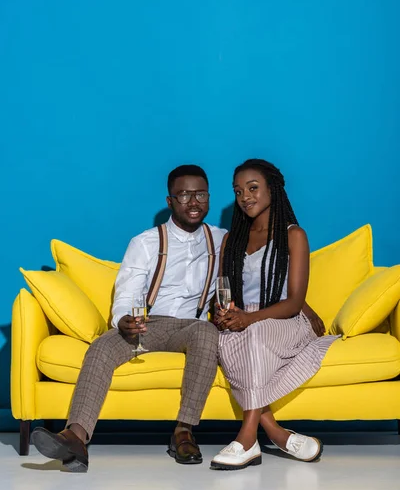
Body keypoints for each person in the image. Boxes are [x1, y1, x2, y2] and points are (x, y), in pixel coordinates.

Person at [31, 165, 226, 472]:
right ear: (170, 201)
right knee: (102, 347)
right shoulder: (146, 242)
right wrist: (123, 319)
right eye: (184, 194)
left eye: (200, 194)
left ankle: (183, 431)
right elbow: (128, 290)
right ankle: (76, 438)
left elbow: (259, 267)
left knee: (206, 333)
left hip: (191, 326)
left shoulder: (222, 240)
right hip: (150, 324)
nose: (193, 201)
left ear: (209, 197)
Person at [211, 159, 338, 471]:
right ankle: (277, 434)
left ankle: (246, 438)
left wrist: (249, 319)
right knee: (225, 340)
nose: (245, 196)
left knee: (251, 335)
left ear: (273, 190)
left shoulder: (294, 235)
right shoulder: (232, 239)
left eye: (253, 188)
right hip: (246, 318)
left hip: (285, 320)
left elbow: (294, 303)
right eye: (238, 191)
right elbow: (225, 291)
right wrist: (223, 314)